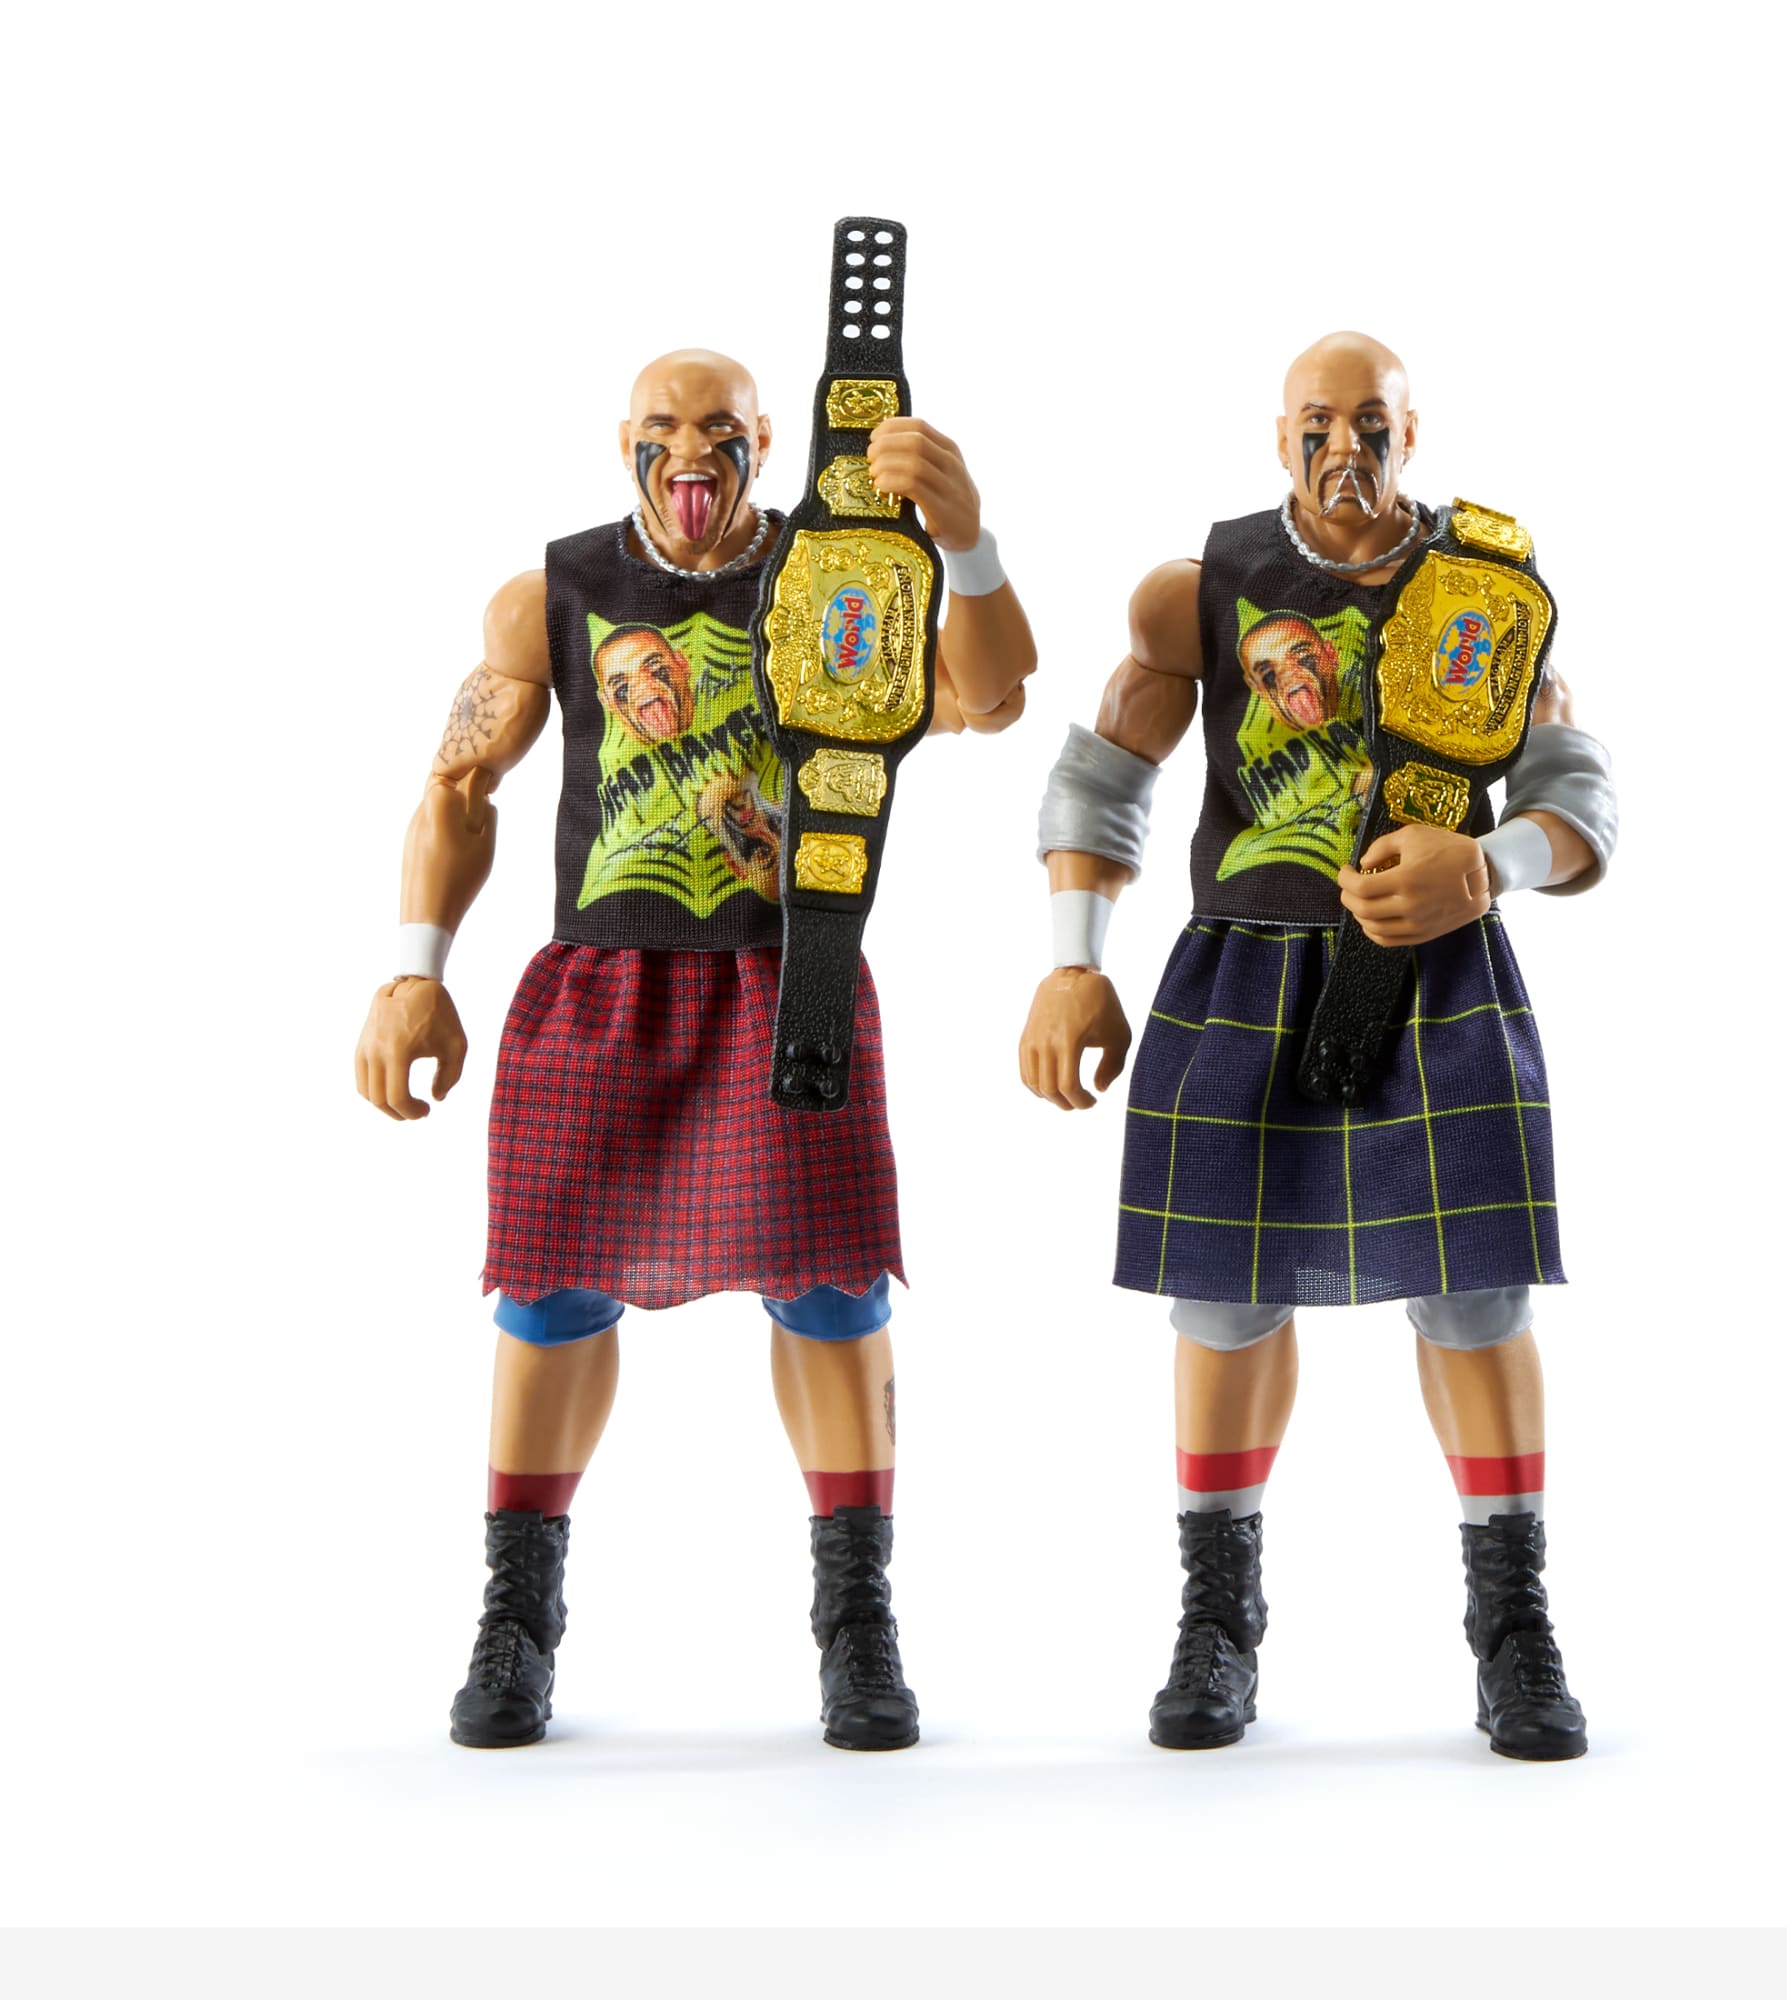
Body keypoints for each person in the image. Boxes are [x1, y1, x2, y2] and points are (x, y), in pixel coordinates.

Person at [355, 348, 1034, 1751]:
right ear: (625, 442)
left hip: (790, 974)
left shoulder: (834, 576)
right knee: (547, 1293)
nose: (689, 448)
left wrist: (964, 538)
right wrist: (415, 970)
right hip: (601, 977)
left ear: (763, 444)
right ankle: (516, 1615)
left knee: (833, 1289)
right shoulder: (551, 594)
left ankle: (858, 1619)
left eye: (718, 427)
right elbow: (458, 787)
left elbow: (990, 698)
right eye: (662, 426)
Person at [1018, 331, 1616, 1759]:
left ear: (1414, 430)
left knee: (1475, 1298)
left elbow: (1580, 794)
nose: (1345, 446)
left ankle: (1514, 1623)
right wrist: (1071, 964)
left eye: (1371, 421)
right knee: (1221, 1302)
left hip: (1436, 975)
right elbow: (1102, 776)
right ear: (1276, 432)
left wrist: (1490, 865)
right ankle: (1216, 1616)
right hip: (1243, 967)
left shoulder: (1486, 590)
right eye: (1317, 421)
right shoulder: (1199, 590)